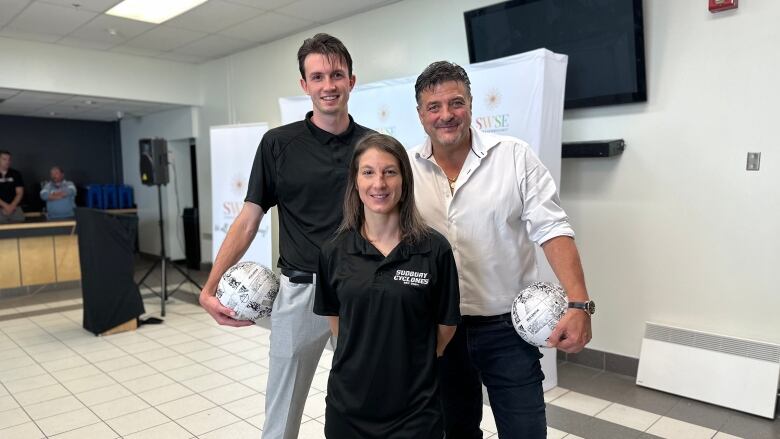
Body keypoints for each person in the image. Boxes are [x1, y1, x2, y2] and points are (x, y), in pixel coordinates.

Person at [198, 33, 372, 439]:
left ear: (351, 80)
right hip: (300, 294)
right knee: (281, 416)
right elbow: (247, 220)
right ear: (304, 85)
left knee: (367, 402)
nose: (328, 85)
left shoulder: (373, 147)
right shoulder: (278, 144)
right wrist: (210, 287)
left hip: (361, 291)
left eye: (336, 75)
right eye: (317, 77)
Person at [409, 61, 594, 438]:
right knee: (454, 432)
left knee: (525, 432)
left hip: (507, 329)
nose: (446, 115)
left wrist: (579, 303)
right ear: (420, 114)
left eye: (456, 103)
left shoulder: (514, 156)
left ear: (472, 105)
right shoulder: (406, 169)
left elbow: (552, 227)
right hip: (438, 329)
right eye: (434, 106)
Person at [314, 133, 460, 439]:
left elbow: (445, 329)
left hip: (415, 412)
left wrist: (408, 363)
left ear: (404, 180)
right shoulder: (334, 251)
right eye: (368, 172)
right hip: (348, 408)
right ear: (355, 181)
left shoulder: (434, 250)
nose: (378, 184)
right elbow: (338, 324)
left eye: (389, 172)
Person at [0, 150, 24, 224]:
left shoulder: (16, 174)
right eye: (4, 159)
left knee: (21, 232)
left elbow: (19, 193)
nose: (7, 161)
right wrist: (6, 206)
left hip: (15, 208)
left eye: (9, 159)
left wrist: (11, 206)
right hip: (1, 209)